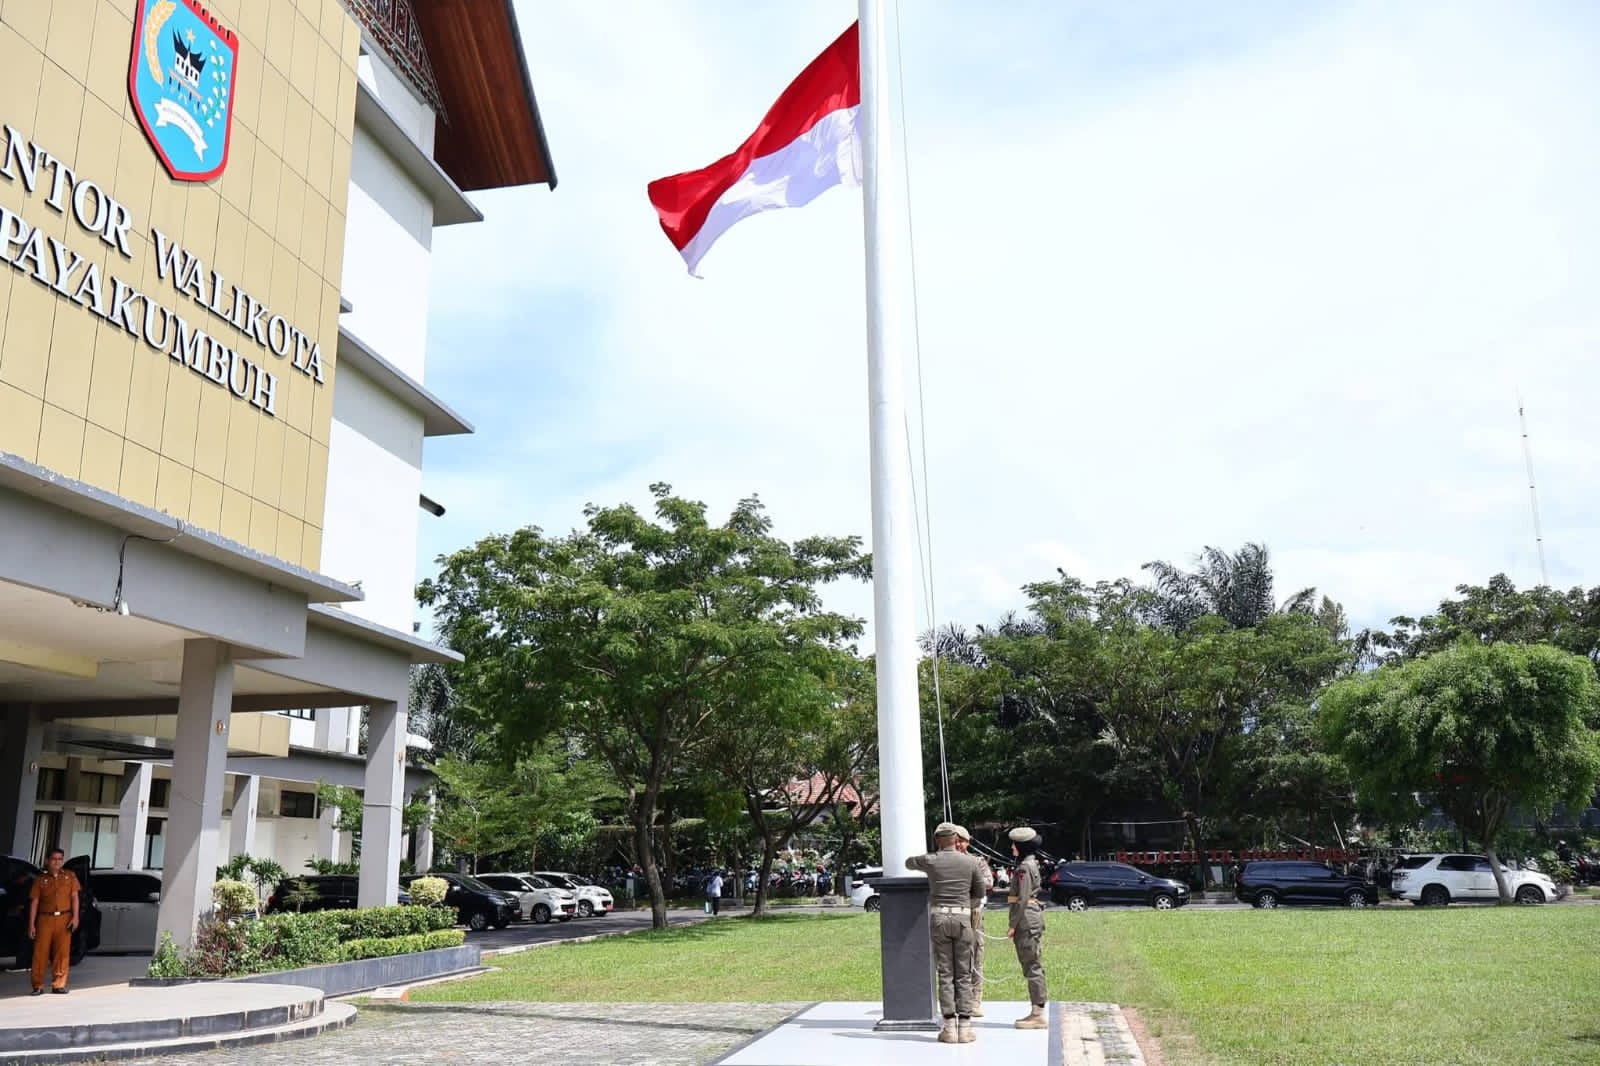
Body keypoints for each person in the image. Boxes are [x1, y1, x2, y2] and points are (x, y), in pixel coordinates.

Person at [906, 822, 987, 1044]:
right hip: (963, 919)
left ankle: (949, 1028)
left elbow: (909, 862)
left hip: (939, 918)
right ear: (955, 839)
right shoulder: (970, 861)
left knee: (945, 974)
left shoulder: (931, 861)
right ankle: (965, 1028)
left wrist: (926, 858)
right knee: (963, 973)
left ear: (938, 840)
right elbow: (980, 891)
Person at [1007, 826, 1048, 1029]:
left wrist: (1012, 925)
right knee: (1033, 964)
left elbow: (1021, 899)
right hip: (1031, 917)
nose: (1012, 848)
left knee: (1032, 965)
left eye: (1014, 845)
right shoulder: (1031, 864)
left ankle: (1037, 1013)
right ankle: (1037, 1009)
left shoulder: (1024, 867)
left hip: (1025, 919)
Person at [951, 824, 993, 1017]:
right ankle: (957, 1000)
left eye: (960, 841)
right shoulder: (945, 862)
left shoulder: (978, 862)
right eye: (954, 840)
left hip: (973, 915)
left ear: (967, 842)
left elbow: (988, 882)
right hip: (951, 916)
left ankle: (975, 1001)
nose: (957, 844)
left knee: (975, 958)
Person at [28, 847, 80, 996]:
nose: (57, 862)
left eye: (60, 859)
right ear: (47, 861)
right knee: (40, 953)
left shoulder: (70, 876)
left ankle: (59, 984)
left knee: (62, 953)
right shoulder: (40, 879)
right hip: (45, 919)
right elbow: (35, 903)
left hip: (64, 918)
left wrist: (75, 917)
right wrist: (31, 924)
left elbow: (75, 897)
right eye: (54, 859)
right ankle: (38, 985)